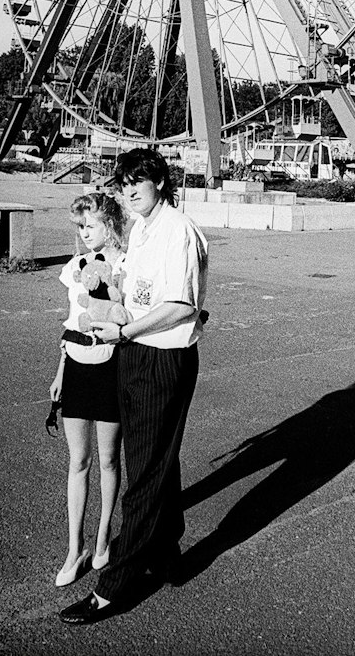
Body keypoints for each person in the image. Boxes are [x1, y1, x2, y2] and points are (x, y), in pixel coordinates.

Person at [60, 148, 207, 625]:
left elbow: (181, 305)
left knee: (143, 472)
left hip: (161, 358)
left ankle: (112, 586)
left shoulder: (177, 231)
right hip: (133, 352)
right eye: (122, 184)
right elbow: (136, 295)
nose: (128, 191)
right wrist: (111, 312)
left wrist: (125, 330)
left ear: (160, 182)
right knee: (155, 458)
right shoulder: (142, 229)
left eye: (137, 183)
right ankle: (168, 556)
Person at [49, 191, 128, 587]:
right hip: (78, 364)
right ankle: (73, 548)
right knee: (77, 462)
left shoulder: (127, 267)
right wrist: (61, 370)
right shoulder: (73, 268)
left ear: (110, 225)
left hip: (112, 365)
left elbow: (128, 318)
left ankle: (101, 542)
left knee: (109, 461)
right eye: (79, 227)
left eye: (89, 225)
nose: (83, 234)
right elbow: (73, 319)